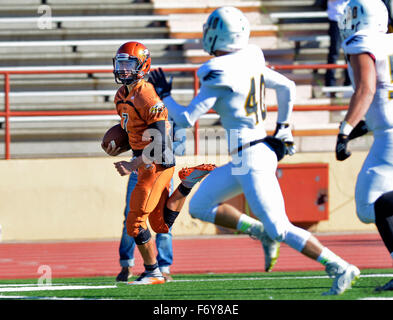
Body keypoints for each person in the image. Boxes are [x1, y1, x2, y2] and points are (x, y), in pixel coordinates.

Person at [149, 6, 360, 295]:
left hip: (252, 157)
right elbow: (287, 86)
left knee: (281, 229)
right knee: (199, 207)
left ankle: (340, 266)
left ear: (217, 35)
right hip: (247, 155)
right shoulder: (251, 58)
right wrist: (284, 128)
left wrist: (165, 96)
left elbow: (185, 119)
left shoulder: (218, 72)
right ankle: (260, 233)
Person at [102, 40, 215, 285]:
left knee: (135, 223)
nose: (123, 69)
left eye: (129, 64)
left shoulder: (146, 94)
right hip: (145, 163)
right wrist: (119, 143)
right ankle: (186, 184)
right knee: (160, 224)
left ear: (143, 64)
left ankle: (153, 271)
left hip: (157, 164)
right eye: (120, 63)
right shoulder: (121, 95)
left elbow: (160, 141)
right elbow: (131, 131)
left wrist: (133, 164)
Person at [335, 0, 393, 291]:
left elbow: (367, 88)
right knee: (377, 205)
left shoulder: (362, 40)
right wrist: (362, 128)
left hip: (389, 137)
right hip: (386, 131)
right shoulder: (388, 42)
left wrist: (345, 130)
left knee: (372, 205)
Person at [114, 120, 186, 283]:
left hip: (162, 168)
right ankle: (127, 264)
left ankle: (164, 267)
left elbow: (176, 140)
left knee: (163, 221)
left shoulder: (162, 111)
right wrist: (116, 144)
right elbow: (126, 134)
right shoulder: (137, 107)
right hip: (140, 169)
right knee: (131, 218)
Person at [325, 0, 351, 89]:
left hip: (349, 19)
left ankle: (349, 82)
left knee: (349, 52)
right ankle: (330, 84)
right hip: (336, 18)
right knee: (334, 52)